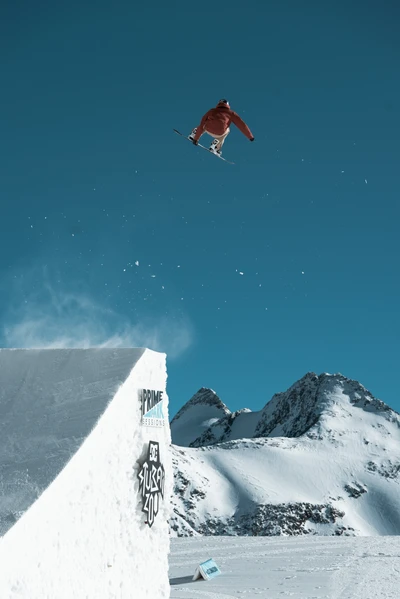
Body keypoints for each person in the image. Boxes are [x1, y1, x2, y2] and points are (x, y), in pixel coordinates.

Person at [189, 99, 254, 155]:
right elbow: (242, 125)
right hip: (220, 132)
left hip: (208, 128)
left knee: (205, 123)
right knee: (227, 130)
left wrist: (196, 139)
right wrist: (250, 137)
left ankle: (194, 133)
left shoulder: (212, 110)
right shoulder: (231, 113)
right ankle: (216, 147)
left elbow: (202, 122)